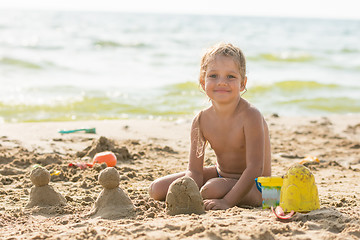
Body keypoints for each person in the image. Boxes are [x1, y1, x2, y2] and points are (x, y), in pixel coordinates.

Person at [149, 42, 271, 210]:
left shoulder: (251, 116)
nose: (221, 82)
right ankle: (212, 191)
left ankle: (219, 193)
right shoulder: (200, 121)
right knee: (157, 188)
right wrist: (188, 189)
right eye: (213, 76)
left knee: (212, 188)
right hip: (221, 175)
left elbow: (255, 168)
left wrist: (227, 202)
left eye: (231, 76)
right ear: (202, 81)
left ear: (243, 83)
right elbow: (195, 171)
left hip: (259, 187)